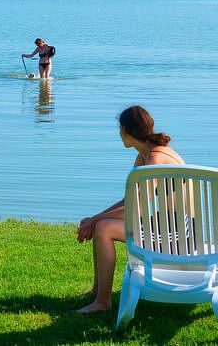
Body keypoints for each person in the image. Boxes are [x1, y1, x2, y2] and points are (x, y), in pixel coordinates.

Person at [76, 105, 184, 313]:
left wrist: (95, 220)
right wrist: (94, 218)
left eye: (119, 129)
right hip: (168, 224)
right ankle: (97, 293)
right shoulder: (146, 155)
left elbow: (137, 208)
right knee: (101, 224)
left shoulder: (154, 158)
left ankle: (102, 302)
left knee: (104, 228)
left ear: (125, 130)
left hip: (178, 233)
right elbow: (130, 200)